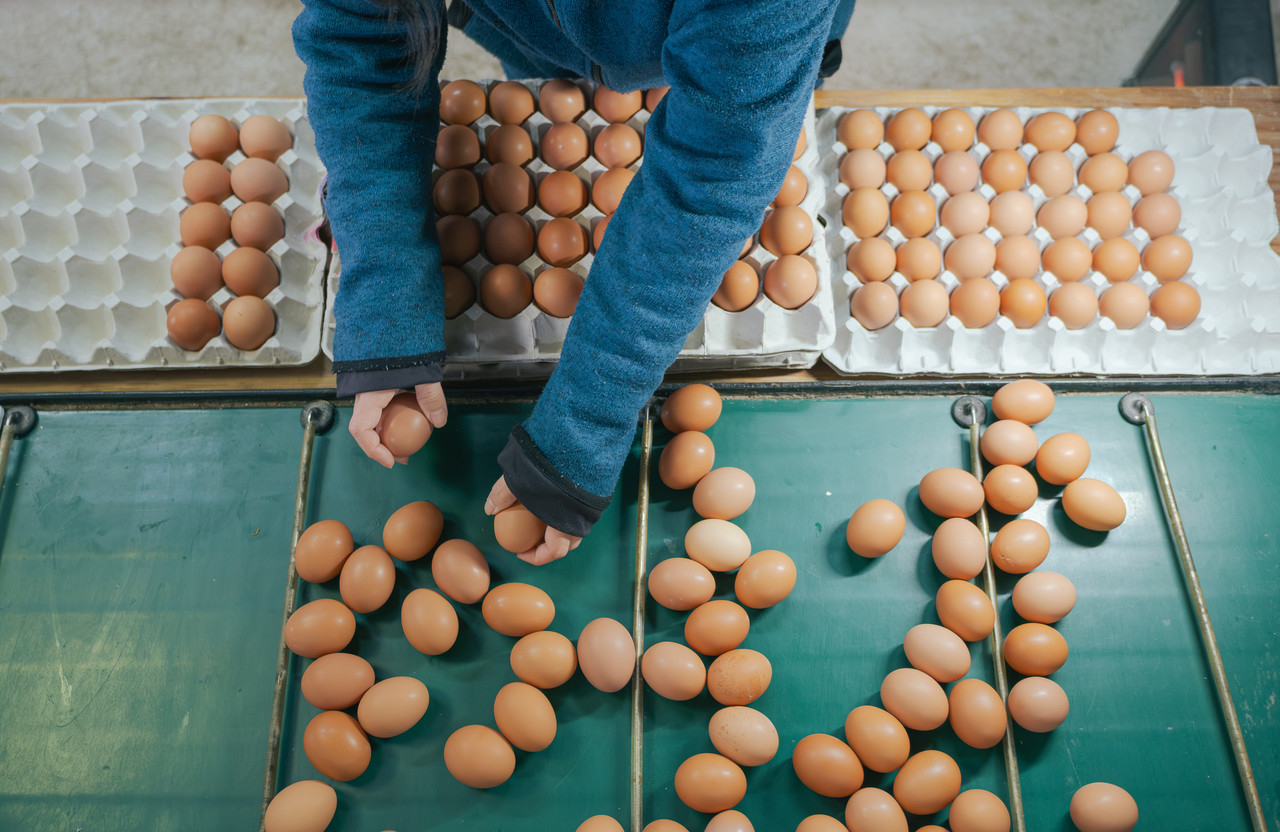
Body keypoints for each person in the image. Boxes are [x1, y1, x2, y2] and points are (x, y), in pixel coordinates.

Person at [293, 0, 851, 565]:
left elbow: (715, 169)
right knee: (555, 79)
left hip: (738, 37)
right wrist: (387, 293)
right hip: (539, 22)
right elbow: (365, 40)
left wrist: (588, 418)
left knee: (748, 91)